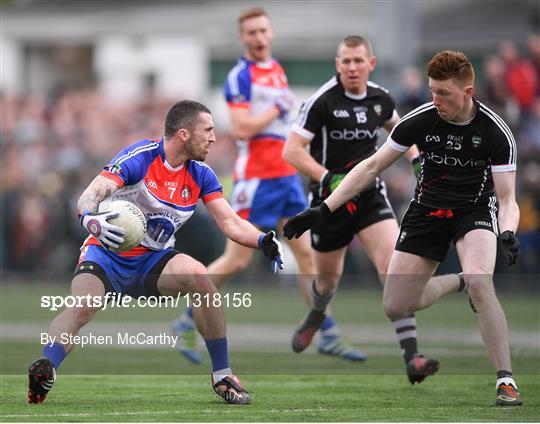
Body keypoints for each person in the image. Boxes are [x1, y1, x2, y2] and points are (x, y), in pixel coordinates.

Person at [284, 50, 522, 406]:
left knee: (480, 280)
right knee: (396, 305)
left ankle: (506, 381)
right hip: (426, 212)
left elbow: (507, 199)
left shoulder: (494, 132)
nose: (436, 100)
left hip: (473, 211)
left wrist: (508, 231)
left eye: (444, 94)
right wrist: (322, 209)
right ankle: (459, 282)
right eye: (432, 91)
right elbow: (371, 167)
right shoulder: (421, 119)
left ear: (468, 92)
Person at [27, 100, 286, 405]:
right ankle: (47, 367)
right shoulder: (141, 156)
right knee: (82, 307)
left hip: (153, 260)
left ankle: (223, 376)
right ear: (184, 134)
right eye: (208, 130)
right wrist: (90, 219)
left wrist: (261, 240)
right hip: (105, 254)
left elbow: (229, 222)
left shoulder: (202, 175)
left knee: (201, 278)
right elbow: (91, 194)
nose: (214, 138)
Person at [173, 7, 365, 365]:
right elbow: (242, 127)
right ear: (243, 38)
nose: (259, 38)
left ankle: (327, 332)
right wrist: (275, 109)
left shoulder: (276, 70)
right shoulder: (239, 76)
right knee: (238, 260)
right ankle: (185, 320)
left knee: (307, 254)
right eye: (251, 33)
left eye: (263, 31)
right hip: (257, 178)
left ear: (270, 33)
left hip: (284, 175)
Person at [283, 35, 461, 382]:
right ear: (337, 65)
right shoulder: (321, 101)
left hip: (369, 196)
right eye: (345, 61)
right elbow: (291, 151)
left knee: (393, 272)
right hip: (328, 204)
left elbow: (401, 132)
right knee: (327, 280)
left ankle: (413, 358)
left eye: (357, 61)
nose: (351, 67)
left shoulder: (381, 98)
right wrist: (327, 178)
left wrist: (416, 160)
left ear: (371, 63)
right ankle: (317, 315)